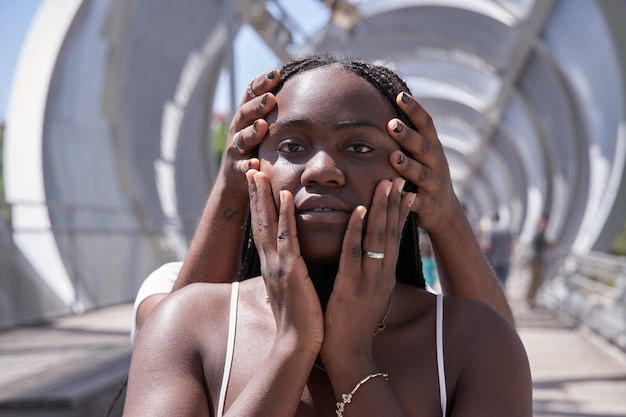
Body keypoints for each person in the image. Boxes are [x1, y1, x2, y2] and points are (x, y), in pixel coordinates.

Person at [124, 54, 532, 416]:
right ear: (249, 168)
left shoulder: (479, 341)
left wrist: (351, 357)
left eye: (358, 148)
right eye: (290, 145)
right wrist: (292, 346)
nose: (321, 169)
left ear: (410, 175)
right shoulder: (184, 323)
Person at [481, 212, 514, 288]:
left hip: (494, 262)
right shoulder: (507, 229)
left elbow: (489, 246)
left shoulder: (492, 230)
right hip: (505, 261)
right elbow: (511, 247)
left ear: (493, 219)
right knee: (503, 285)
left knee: (494, 285)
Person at [526, 215, 551, 306]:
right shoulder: (540, 233)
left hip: (534, 259)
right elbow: (543, 244)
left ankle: (529, 297)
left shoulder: (537, 233)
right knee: (536, 280)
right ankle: (531, 299)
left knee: (534, 280)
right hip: (536, 260)